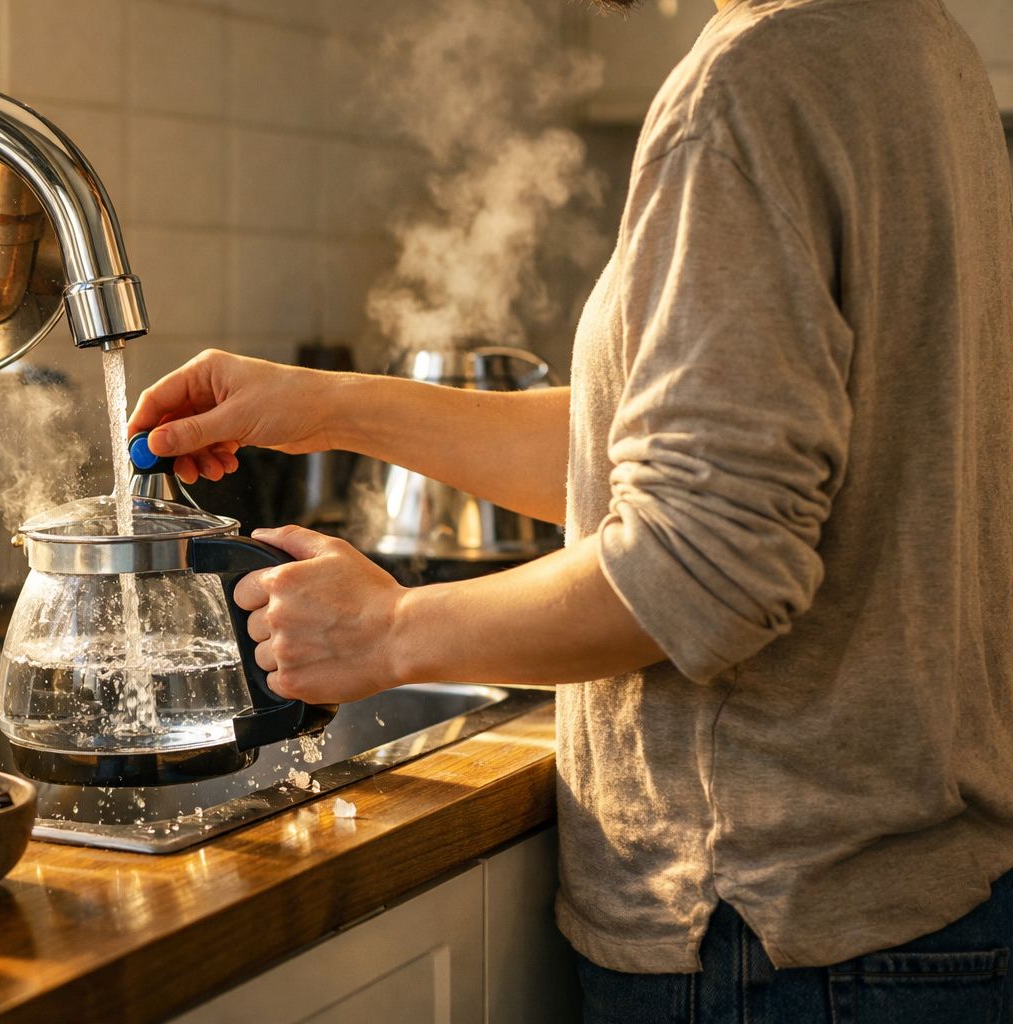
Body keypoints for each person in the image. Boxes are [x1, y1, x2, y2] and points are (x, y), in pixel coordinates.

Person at [127, 0, 1013, 1019]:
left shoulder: (749, 88)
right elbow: (664, 456)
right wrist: (330, 406)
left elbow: (701, 565)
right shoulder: (910, 42)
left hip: (767, 931)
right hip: (918, 905)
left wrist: (387, 630)